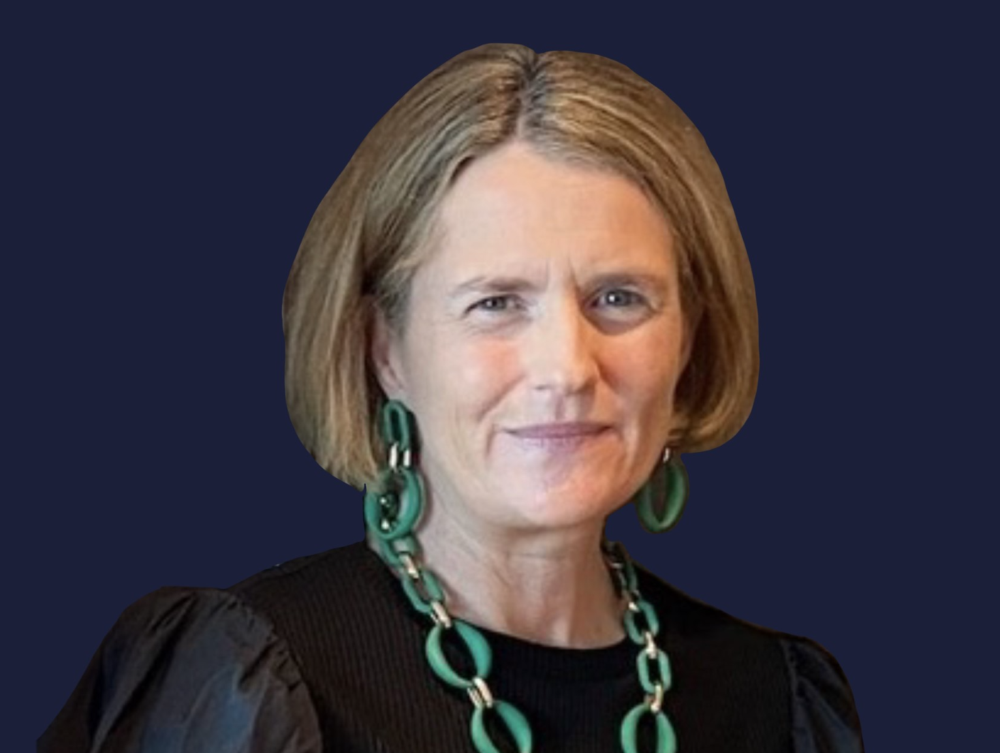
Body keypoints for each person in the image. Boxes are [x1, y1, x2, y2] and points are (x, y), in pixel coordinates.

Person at [39, 43, 864, 753]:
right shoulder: (252, 677)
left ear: (687, 339)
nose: (567, 367)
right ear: (386, 350)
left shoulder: (776, 696)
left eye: (618, 297)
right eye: (496, 302)